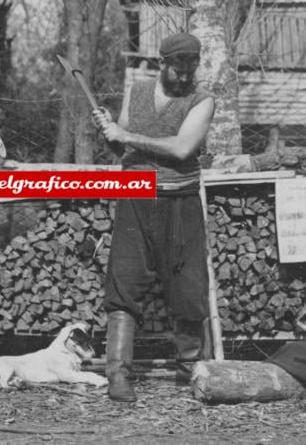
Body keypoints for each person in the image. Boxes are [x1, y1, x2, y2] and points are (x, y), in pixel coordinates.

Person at [92, 31, 216, 402]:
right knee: (124, 283)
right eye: (177, 66)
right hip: (135, 196)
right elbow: (120, 142)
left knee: (188, 285)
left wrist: (126, 136)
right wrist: (109, 129)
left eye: (190, 66)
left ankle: (189, 372)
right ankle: (117, 375)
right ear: (162, 63)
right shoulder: (138, 91)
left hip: (180, 200)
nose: (184, 74)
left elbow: (181, 149)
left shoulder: (202, 100)